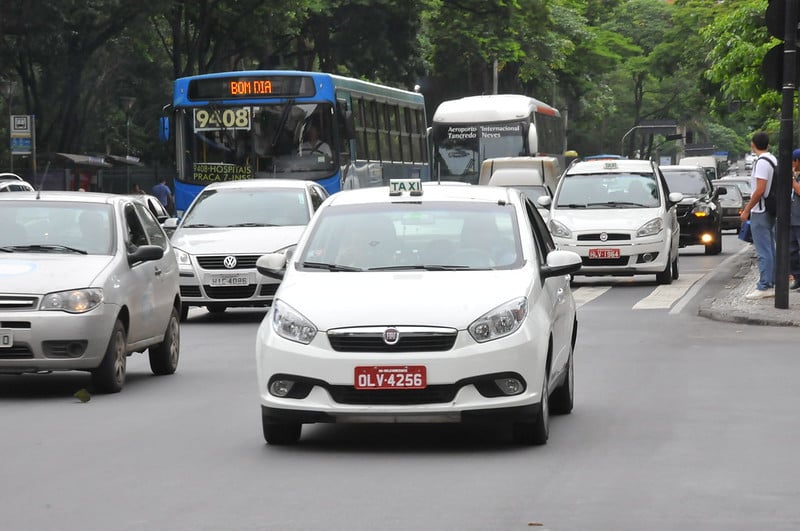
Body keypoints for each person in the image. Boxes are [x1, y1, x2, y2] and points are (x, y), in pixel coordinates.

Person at [740, 131, 777, 299]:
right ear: (768, 144)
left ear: (752, 145)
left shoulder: (761, 162)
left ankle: (765, 285)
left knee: (763, 250)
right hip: (769, 209)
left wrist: (747, 209)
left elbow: (760, 189)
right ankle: (772, 282)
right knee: (770, 248)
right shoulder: (773, 159)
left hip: (760, 210)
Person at [790, 149, 800, 290]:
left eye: (793, 161)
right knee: (791, 250)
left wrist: (791, 180)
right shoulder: (797, 177)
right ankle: (797, 277)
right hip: (792, 219)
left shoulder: (795, 179)